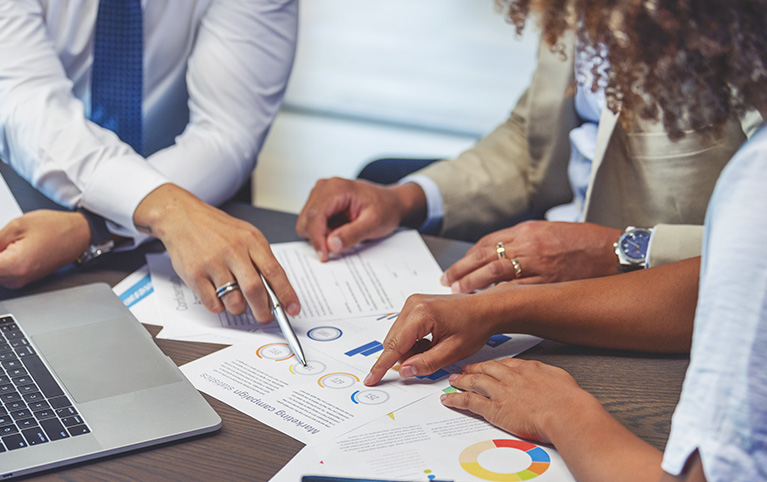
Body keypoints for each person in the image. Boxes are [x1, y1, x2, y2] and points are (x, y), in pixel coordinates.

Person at [364, 1, 767, 480]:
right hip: (571, 301)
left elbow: (727, 273)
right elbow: (533, 136)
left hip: (650, 334)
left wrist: (562, 412)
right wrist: (502, 304)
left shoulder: (753, 183)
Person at [296, 26, 755, 292]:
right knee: (384, 179)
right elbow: (532, 141)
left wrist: (617, 250)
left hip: (659, 289)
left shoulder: (738, 25)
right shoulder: (578, 14)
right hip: (556, 249)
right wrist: (406, 198)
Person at [0, 0, 301, 321]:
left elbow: (227, 133)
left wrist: (93, 229)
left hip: (195, 203)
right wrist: (167, 210)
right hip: (28, 194)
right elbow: (26, 102)